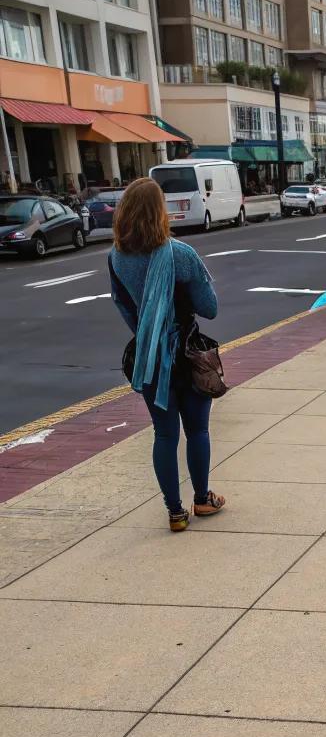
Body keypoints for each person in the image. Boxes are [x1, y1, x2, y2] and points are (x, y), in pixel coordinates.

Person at [108, 177, 223, 533]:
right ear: (160, 212)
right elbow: (210, 308)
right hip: (186, 354)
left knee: (164, 435)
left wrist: (149, 330)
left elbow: (124, 305)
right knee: (197, 429)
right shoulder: (180, 254)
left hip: (149, 359)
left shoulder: (117, 257)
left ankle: (175, 512)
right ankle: (202, 499)